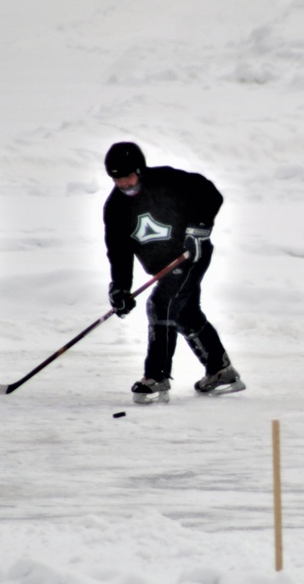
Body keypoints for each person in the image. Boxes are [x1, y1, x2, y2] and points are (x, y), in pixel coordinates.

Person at [102, 141, 245, 404]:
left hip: (189, 256)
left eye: (128, 176)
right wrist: (120, 288)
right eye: (117, 180)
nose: (124, 184)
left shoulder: (167, 181)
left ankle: (156, 377)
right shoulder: (115, 209)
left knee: (161, 304)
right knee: (185, 314)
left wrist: (198, 230)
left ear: (140, 170)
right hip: (163, 268)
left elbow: (210, 194)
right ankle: (221, 370)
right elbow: (119, 253)